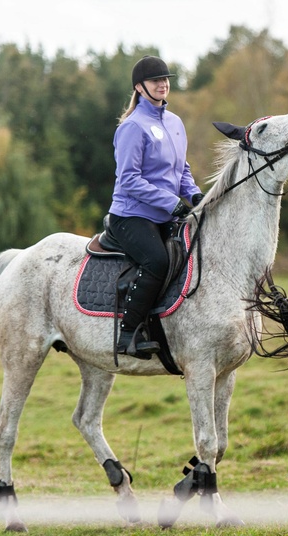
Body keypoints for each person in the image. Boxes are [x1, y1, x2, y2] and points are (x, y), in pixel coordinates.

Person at [107, 55, 204, 359]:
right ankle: (127, 334)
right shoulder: (132, 127)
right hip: (131, 216)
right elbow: (129, 180)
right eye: (155, 81)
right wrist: (172, 203)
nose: (163, 85)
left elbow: (181, 168)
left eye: (166, 80)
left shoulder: (174, 122)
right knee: (157, 262)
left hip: (166, 213)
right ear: (140, 87)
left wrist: (195, 195)